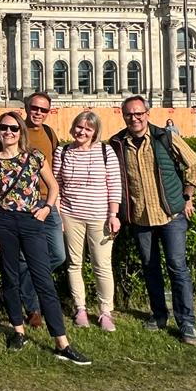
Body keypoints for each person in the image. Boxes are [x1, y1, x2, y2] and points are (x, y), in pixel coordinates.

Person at [0, 111, 91, 365]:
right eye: (3, 128)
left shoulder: (34, 157)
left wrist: (46, 208)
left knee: (44, 280)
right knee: (10, 277)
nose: (8, 133)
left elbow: (53, 186)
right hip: (3, 221)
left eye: (13, 129)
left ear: (21, 131)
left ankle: (61, 341)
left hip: (31, 221)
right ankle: (18, 331)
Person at [109, 96, 196, 345]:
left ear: (147, 113)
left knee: (177, 268)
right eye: (130, 114)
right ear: (123, 116)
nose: (135, 118)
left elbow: (195, 164)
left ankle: (186, 323)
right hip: (140, 218)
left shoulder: (165, 137)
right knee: (150, 268)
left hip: (170, 215)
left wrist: (187, 195)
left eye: (139, 113)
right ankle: (159, 314)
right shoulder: (117, 143)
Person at [53, 111, 122, 332]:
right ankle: (80, 308)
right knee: (74, 263)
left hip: (100, 216)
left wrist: (114, 215)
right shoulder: (62, 152)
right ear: (73, 128)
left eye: (88, 129)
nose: (82, 132)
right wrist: (58, 215)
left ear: (94, 132)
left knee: (101, 265)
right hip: (70, 215)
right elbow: (57, 186)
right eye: (79, 127)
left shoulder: (105, 151)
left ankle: (105, 311)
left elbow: (114, 184)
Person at [18, 92, 66, 328]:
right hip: (24, 205)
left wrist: (55, 201)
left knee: (58, 254)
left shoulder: (49, 133)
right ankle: (33, 308)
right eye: (34, 108)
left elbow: (54, 168)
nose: (38, 113)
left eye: (43, 110)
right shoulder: (16, 130)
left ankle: (25, 289)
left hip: (48, 204)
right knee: (24, 258)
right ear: (27, 108)